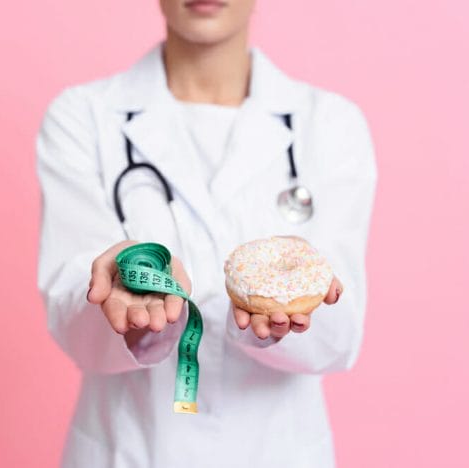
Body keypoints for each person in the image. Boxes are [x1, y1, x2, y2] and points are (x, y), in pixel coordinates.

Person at [35, 0, 378, 466]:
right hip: (132, 447)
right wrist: (137, 312)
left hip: (276, 450)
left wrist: (276, 322)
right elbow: (73, 319)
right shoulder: (84, 116)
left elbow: (341, 338)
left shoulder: (331, 124)